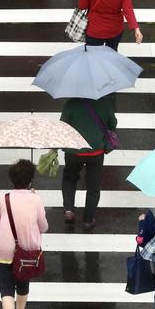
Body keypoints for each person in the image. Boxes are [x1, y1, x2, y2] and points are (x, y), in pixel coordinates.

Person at [0, 160, 48, 309]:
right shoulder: (36, 199)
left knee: (6, 289)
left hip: (3, 248)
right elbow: (44, 227)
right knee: (22, 284)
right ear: (30, 180)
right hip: (26, 250)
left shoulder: (2, 199)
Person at [60, 96, 117, 230]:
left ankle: (69, 209)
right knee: (93, 187)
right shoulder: (104, 103)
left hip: (74, 151)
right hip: (96, 152)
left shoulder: (71, 104)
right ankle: (88, 220)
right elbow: (112, 124)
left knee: (69, 178)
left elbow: (62, 127)